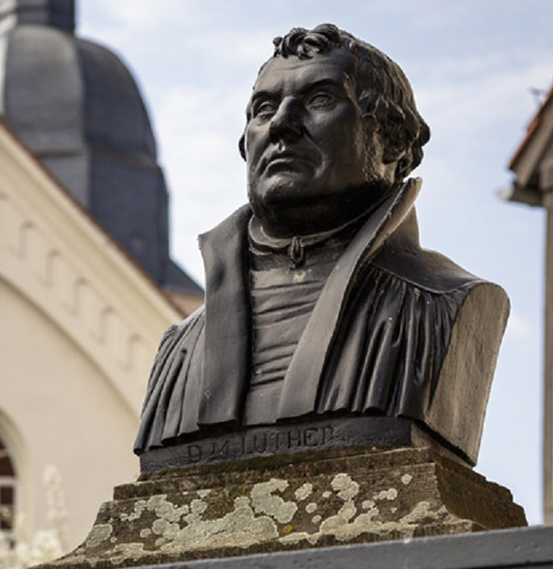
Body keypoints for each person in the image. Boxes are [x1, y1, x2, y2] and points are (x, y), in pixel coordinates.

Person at [134, 24, 507, 469]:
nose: (282, 126)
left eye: (320, 101)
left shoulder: (442, 305)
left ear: (393, 142)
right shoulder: (180, 346)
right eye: (264, 108)